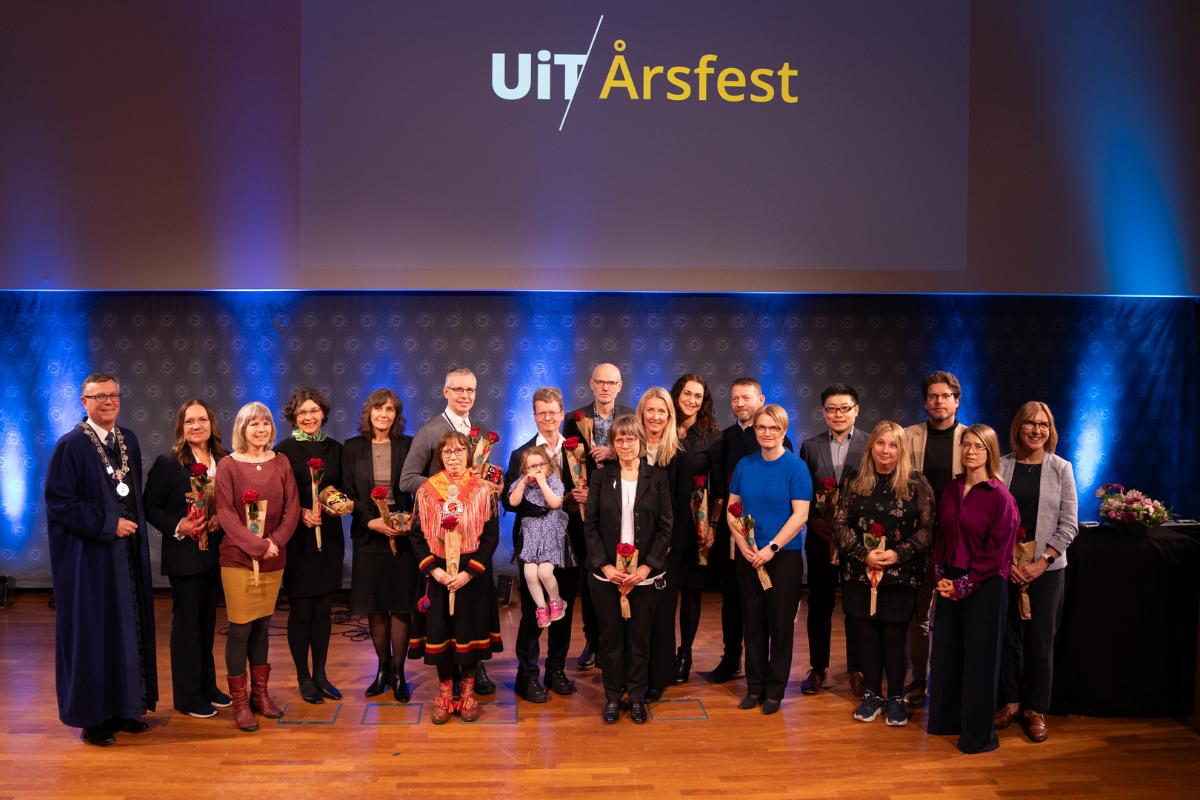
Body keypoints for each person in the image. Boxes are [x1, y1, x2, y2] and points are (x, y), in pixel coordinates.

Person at [45, 372, 158, 746]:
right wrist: (109, 524)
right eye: (99, 396)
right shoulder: (71, 446)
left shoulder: (129, 440)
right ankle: (94, 720)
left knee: (128, 630)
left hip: (125, 557)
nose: (108, 402)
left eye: (113, 395)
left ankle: (127, 708)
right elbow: (60, 503)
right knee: (95, 636)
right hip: (90, 560)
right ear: (84, 402)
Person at [399, 366, 498, 695]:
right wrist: (447, 489)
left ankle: (474, 669)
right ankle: (449, 680)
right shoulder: (430, 431)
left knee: (470, 612)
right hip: (439, 540)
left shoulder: (480, 433)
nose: (464, 396)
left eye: (470, 390)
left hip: (471, 537)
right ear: (445, 391)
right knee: (445, 614)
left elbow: (481, 478)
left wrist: (482, 486)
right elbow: (407, 479)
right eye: (457, 390)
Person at [927, 424, 1020, 754]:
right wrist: (942, 576)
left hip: (985, 585)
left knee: (980, 661)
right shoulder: (951, 489)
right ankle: (945, 722)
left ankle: (977, 737)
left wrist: (964, 585)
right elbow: (941, 536)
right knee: (947, 656)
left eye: (978, 447)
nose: (970, 451)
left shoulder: (1001, 498)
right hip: (950, 579)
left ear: (990, 452)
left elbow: (997, 554)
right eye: (965, 445)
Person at [834, 421, 934, 727]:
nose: (886, 450)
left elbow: (928, 530)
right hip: (859, 572)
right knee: (866, 634)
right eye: (881, 444)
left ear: (902, 449)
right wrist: (865, 554)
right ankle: (872, 696)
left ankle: (895, 699)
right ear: (871, 446)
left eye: (893, 445)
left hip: (900, 574)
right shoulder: (854, 480)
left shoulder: (917, 484)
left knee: (893, 636)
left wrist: (896, 554)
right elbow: (839, 523)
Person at [214, 401, 300, 732]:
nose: (261, 429)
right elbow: (225, 513)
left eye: (265, 424)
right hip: (238, 559)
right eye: (254, 424)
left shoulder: (281, 462)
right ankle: (239, 703)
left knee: (263, 626)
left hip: (273, 558)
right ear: (242, 429)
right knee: (240, 629)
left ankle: (260, 697)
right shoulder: (228, 465)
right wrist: (257, 545)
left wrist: (274, 543)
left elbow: (293, 507)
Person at [995, 402, 1078, 742]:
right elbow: (993, 520)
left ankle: (1037, 710)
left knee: (1041, 642)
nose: (1036, 430)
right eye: (1029, 423)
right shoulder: (1001, 466)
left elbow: (1069, 525)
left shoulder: (1061, 468)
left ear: (1050, 430)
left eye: (1043, 424)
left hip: (1047, 570)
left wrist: (1040, 562)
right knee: (1007, 638)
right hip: (1006, 569)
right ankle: (1012, 702)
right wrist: (1010, 563)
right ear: (1018, 427)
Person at [407, 431, 502, 723]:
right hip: (437, 576)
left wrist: (468, 573)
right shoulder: (426, 491)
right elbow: (416, 535)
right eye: (447, 452)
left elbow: (491, 537)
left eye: (460, 451)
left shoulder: (485, 490)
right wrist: (433, 570)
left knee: (468, 634)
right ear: (439, 457)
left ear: (469, 455)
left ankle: (468, 693)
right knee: (441, 635)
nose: (454, 458)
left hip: (471, 576)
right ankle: (446, 695)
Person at [584, 415, 673, 724]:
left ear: (640, 442)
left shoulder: (657, 478)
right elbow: (590, 526)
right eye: (619, 440)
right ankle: (612, 696)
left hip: (644, 577)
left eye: (630, 439)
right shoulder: (600, 477)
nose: (624, 445)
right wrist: (606, 566)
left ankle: (636, 697)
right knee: (610, 640)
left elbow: (665, 528)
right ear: (613, 443)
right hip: (607, 575)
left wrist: (647, 567)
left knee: (639, 639)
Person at [144, 399, 229, 719]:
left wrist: (221, 516)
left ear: (212, 424)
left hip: (217, 553)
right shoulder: (169, 462)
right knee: (187, 628)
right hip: (185, 555)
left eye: (202, 420)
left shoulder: (223, 458)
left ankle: (207, 686)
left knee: (208, 624)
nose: (197, 426)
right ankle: (187, 696)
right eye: (190, 421)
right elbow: (149, 506)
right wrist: (178, 525)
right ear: (181, 427)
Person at [706, 378, 793, 684]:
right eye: (735, 398)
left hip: (769, 540)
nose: (740, 404)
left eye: (746, 398)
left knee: (765, 607)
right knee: (732, 600)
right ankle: (732, 659)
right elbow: (719, 487)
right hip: (734, 533)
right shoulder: (723, 438)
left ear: (761, 399)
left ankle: (767, 668)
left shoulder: (778, 441)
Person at [726, 404, 811, 714]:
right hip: (748, 556)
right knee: (753, 624)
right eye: (762, 427)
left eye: (773, 428)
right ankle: (755, 687)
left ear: (783, 430)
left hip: (782, 559)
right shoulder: (745, 465)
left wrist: (770, 548)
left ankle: (775, 691)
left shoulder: (795, 468)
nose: (766, 433)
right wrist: (742, 543)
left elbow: (800, 515)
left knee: (780, 626)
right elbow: (732, 510)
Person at [503, 387, 587, 703]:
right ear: (535, 415)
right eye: (542, 412)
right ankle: (527, 676)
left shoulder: (578, 451)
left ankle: (556, 670)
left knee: (562, 607)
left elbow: (590, 490)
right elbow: (509, 503)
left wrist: (585, 497)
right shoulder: (521, 455)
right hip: (535, 542)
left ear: (562, 413)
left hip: (570, 541)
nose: (548, 417)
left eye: (553, 412)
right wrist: (530, 489)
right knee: (532, 610)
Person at [341, 388, 417, 702]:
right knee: (376, 608)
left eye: (389, 410)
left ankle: (399, 673)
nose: (383, 415)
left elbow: (416, 488)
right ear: (368, 413)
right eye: (377, 409)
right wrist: (370, 521)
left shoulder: (409, 445)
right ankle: (382, 669)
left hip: (401, 538)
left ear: (396, 415)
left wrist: (408, 520)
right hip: (369, 536)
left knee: (400, 606)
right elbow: (347, 493)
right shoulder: (352, 447)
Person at [275, 388, 345, 704]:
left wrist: (336, 505)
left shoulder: (335, 449)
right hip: (298, 539)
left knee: (323, 610)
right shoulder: (284, 450)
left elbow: (344, 490)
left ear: (323, 413)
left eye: (314, 411)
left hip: (328, 537)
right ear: (294, 416)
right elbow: (276, 497)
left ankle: (321, 674)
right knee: (302, 610)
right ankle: (303, 677)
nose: (309, 417)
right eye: (302, 412)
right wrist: (300, 511)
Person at [902, 370, 967, 707]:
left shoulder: (973, 438)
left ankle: (950, 679)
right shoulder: (908, 436)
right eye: (932, 397)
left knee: (955, 615)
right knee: (919, 615)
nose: (939, 402)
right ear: (925, 402)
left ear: (957, 400)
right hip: (919, 539)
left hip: (959, 542)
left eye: (945, 396)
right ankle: (919, 678)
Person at [799, 383, 868, 697]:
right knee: (820, 605)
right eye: (831, 409)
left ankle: (858, 669)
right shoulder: (810, 447)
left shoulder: (871, 445)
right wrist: (814, 522)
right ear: (823, 412)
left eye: (844, 408)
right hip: (820, 539)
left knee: (856, 606)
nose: (838, 414)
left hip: (859, 542)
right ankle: (818, 667)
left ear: (856, 409)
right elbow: (803, 494)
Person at [563, 362, 633, 669]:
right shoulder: (573, 419)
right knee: (590, 577)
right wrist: (574, 493)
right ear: (591, 384)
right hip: (585, 511)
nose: (605, 387)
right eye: (600, 382)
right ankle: (593, 640)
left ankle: (616, 641)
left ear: (620, 386)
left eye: (611, 383)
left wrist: (613, 453)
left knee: (620, 574)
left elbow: (639, 453)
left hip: (622, 510)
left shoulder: (630, 417)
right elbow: (568, 462)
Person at [668, 374, 721, 687]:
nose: (691, 400)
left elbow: (719, 489)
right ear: (677, 394)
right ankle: (658, 653)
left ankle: (684, 653)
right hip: (661, 522)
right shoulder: (659, 428)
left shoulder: (712, 437)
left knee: (690, 592)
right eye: (687, 393)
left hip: (695, 524)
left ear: (704, 402)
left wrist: (712, 525)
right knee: (661, 594)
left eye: (698, 396)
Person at [636, 386, 684, 701]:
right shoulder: (628, 450)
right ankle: (635, 674)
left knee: (663, 616)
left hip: (666, 549)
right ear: (641, 414)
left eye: (661, 412)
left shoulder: (678, 456)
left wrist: (663, 547)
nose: (655, 417)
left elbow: (680, 508)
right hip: (631, 548)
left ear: (670, 417)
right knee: (637, 618)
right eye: (650, 410)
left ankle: (659, 677)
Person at [509, 445, 570, 626]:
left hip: (550, 534)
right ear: (525, 469)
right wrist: (522, 483)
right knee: (529, 573)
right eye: (531, 467)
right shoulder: (523, 482)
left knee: (544, 572)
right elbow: (513, 502)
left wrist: (543, 482)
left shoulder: (554, 481)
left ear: (549, 465)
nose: (537, 470)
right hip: (531, 535)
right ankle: (541, 607)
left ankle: (556, 601)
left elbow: (554, 503)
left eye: (541, 465)